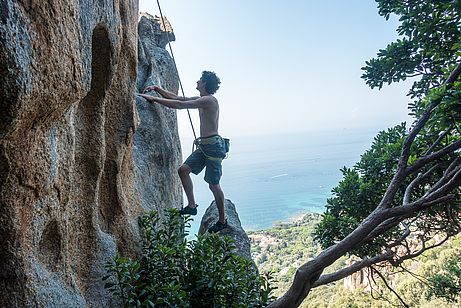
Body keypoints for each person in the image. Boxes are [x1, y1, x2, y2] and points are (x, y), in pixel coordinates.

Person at [138, 71, 228, 233]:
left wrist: (154, 99)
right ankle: (192, 206)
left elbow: (180, 105)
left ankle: (223, 221)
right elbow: (179, 99)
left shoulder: (209, 100)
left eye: (200, 80)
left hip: (213, 147)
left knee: (213, 185)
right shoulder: (202, 99)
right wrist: (157, 89)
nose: (198, 81)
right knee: (183, 170)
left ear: (206, 83)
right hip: (204, 146)